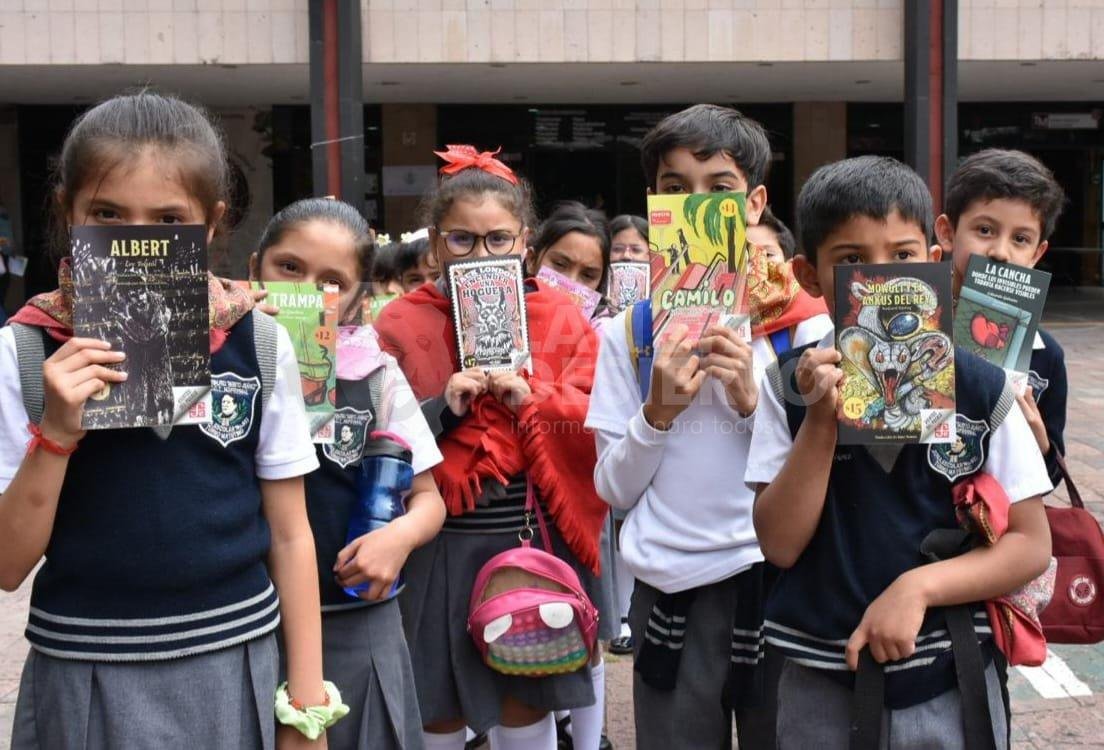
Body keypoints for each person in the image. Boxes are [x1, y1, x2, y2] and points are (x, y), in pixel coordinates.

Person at [0, 92, 333, 749]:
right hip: (85, 665)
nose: (136, 240)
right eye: (107, 214)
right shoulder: (27, 351)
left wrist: (307, 705)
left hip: (232, 653)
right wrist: (57, 434)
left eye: (168, 219)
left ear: (210, 225)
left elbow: (291, 534)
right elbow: (8, 565)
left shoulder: (259, 344)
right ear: (68, 212)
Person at [747, 155, 1054, 749]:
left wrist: (919, 588)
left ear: (933, 260)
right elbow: (779, 544)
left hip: (948, 672)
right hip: (818, 669)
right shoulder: (787, 386)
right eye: (852, 261)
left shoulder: (983, 386)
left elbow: (1030, 544)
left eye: (904, 255)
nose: (882, 280)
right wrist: (820, 422)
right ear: (809, 275)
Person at [585, 103, 831, 750]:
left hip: (778, 585)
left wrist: (756, 403)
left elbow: (829, 472)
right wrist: (656, 415)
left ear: (753, 204)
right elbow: (612, 489)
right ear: (655, 204)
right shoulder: (629, 332)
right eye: (676, 188)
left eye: (718, 187)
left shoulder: (806, 328)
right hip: (669, 592)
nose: (697, 205)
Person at [373, 146, 608, 750]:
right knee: (436, 709)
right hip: (435, 537)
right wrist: (440, 410)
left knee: (524, 701)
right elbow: (375, 436)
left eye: (498, 239)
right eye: (463, 240)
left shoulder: (559, 315)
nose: (482, 254)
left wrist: (535, 400)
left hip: (525, 533)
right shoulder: (399, 321)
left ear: (524, 242)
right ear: (435, 243)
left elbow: (599, 418)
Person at [252, 197, 448, 750]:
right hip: (249, 628)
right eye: (289, 268)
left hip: (356, 622)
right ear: (254, 270)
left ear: (360, 298)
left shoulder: (376, 376)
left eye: (331, 282)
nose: (306, 292)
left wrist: (398, 538)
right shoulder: (222, 370)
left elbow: (429, 498)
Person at [526, 200, 616, 750]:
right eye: (560, 265)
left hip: (578, 503)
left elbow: (600, 421)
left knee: (586, 626)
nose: (572, 284)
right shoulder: (496, 320)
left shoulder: (605, 339)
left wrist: (531, 397)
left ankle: (589, 739)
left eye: (589, 275)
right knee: (525, 628)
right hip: (513, 507)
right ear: (533, 256)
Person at [937, 148, 1068, 487]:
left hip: (1004, 514)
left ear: (1037, 253)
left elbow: (1050, 479)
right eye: (984, 230)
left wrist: (1040, 441)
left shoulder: (1046, 356)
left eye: (1020, 239)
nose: (999, 252)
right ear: (947, 232)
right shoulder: (915, 326)